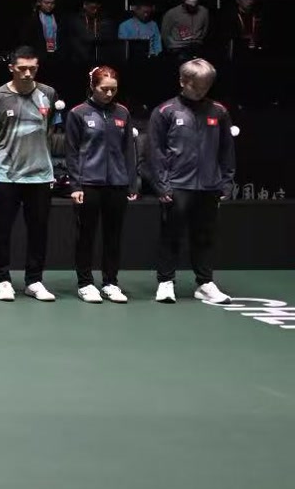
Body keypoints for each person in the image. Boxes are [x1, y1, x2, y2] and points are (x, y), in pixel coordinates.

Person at [0, 45, 64, 303]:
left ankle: (34, 281)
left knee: (38, 231)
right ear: (11, 68)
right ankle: (3, 280)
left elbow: (51, 129)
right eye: (22, 68)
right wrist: (3, 155)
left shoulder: (48, 94)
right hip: (6, 176)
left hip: (40, 176)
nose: (27, 73)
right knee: (1, 231)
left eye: (32, 69)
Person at [148, 58, 236, 305]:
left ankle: (205, 283)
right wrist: (162, 185)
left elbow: (227, 150)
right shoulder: (165, 111)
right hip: (176, 185)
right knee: (171, 235)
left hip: (209, 186)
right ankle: (166, 282)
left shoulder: (219, 111)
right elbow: (155, 152)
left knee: (205, 236)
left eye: (206, 86)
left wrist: (226, 181)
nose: (201, 91)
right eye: (196, 86)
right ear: (182, 81)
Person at [65, 66, 137, 305]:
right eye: (104, 89)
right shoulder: (78, 113)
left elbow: (129, 151)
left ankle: (110, 283)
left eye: (113, 90)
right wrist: (75, 185)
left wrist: (131, 183)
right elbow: (72, 152)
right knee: (86, 236)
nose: (109, 94)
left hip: (117, 184)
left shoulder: (123, 113)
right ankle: (85, 283)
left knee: (113, 237)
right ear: (92, 87)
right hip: (88, 184)